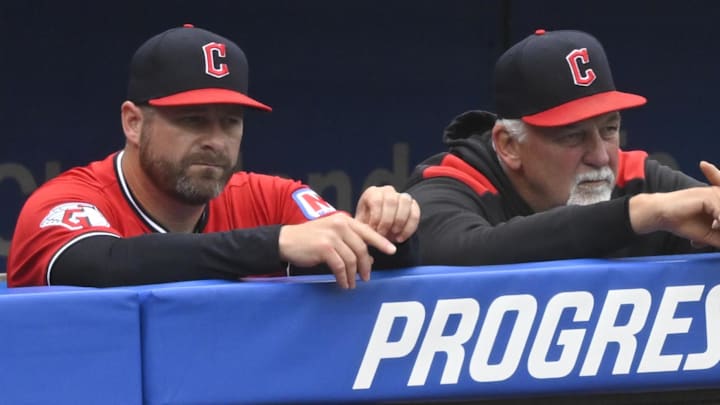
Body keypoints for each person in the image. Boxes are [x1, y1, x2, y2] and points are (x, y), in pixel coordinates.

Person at [7, 24, 420, 289]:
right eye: (192, 120)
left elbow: (371, 258)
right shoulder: (67, 200)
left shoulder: (268, 197)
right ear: (133, 123)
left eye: (230, 122)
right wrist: (273, 243)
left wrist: (391, 229)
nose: (216, 141)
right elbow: (105, 266)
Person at [404, 28, 720, 266]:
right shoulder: (456, 182)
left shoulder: (636, 179)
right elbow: (455, 249)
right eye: (572, 136)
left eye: (609, 129)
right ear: (509, 145)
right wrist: (640, 214)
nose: (600, 156)